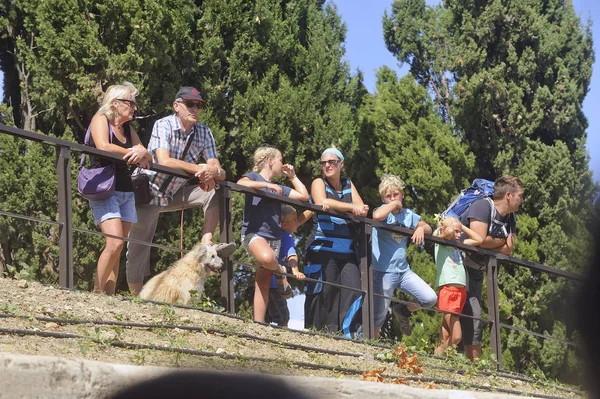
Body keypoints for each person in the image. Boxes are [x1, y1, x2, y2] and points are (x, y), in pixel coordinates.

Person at [125, 87, 235, 295]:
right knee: (138, 247)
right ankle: (138, 301)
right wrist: (199, 169)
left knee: (213, 191)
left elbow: (220, 170)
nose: (195, 108)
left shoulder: (204, 132)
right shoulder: (163, 125)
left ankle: (207, 246)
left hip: (174, 192)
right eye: (190, 104)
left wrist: (213, 171)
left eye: (199, 105)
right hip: (149, 192)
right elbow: (164, 160)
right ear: (177, 106)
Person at [85, 82, 151, 295]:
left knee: (119, 247)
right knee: (113, 243)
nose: (135, 108)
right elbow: (102, 146)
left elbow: (146, 155)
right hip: (104, 188)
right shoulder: (100, 119)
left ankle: (109, 294)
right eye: (131, 103)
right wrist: (133, 152)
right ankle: (97, 291)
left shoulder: (128, 130)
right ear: (115, 103)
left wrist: (143, 153)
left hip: (126, 191)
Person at [237, 146, 309, 323]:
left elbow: (304, 196)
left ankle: (258, 323)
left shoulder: (280, 187)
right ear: (270, 161)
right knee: (268, 259)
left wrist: (292, 176)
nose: (283, 164)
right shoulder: (255, 177)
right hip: (253, 234)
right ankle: (281, 273)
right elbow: (241, 184)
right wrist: (265, 185)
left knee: (263, 282)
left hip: (274, 238)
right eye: (281, 160)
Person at [304, 148, 368, 338]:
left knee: (353, 289)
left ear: (341, 164)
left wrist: (345, 207)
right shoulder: (318, 182)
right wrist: (350, 208)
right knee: (326, 291)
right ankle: (322, 335)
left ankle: (350, 336)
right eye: (323, 163)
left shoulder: (348, 184)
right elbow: (321, 200)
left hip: (347, 250)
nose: (327, 166)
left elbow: (362, 209)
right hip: (322, 247)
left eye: (332, 162)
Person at [460, 175, 524, 361]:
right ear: (508, 196)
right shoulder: (483, 207)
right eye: (520, 196)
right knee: (472, 318)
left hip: (478, 270)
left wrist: (490, 243)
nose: (522, 200)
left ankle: (469, 366)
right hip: (461, 266)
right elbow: (478, 241)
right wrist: (499, 241)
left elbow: (508, 249)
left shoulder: (510, 217)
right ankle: (474, 368)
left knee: (469, 319)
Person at [371, 174, 437, 339]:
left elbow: (427, 226)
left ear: (403, 195)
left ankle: (403, 310)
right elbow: (377, 217)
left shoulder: (409, 214)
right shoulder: (381, 211)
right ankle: (372, 345)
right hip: (383, 271)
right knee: (378, 316)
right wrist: (393, 204)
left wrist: (420, 228)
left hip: (403, 271)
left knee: (429, 298)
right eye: (388, 196)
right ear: (383, 198)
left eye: (396, 194)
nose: (393, 198)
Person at [432, 216, 482, 355]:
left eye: (459, 232)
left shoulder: (458, 243)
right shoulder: (440, 240)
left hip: (460, 293)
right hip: (448, 290)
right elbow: (447, 232)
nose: (459, 234)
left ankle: (437, 357)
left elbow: (479, 240)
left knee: (446, 334)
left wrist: (460, 226)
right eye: (456, 231)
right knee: (457, 336)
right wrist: (448, 220)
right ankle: (440, 356)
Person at [266, 205, 307, 327]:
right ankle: (281, 341)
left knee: (267, 315)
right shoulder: (287, 238)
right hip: (275, 285)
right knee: (283, 317)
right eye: (294, 220)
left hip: (267, 283)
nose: (297, 222)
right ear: (284, 225)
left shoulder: (272, 234)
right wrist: (295, 270)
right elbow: (292, 256)